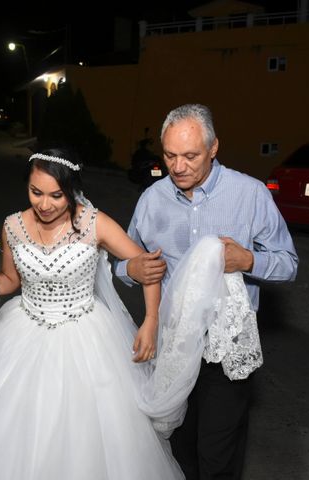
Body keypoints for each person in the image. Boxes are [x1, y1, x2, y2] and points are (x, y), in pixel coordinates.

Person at [0, 148, 186, 479]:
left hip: (86, 336)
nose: (44, 204)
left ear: (71, 190)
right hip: (24, 328)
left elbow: (149, 268)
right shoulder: (13, 226)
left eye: (56, 195)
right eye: (36, 192)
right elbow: (9, 280)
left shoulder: (95, 224)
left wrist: (150, 321)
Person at [115, 104, 299, 480]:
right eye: (169, 155)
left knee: (217, 452)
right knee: (179, 448)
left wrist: (248, 260)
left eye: (190, 155)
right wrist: (131, 269)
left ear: (214, 148)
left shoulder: (250, 194)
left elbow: (288, 263)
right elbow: (124, 261)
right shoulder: (152, 199)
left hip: (225, 346)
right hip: (172, 344)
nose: (178, 167)